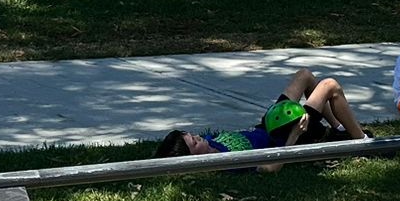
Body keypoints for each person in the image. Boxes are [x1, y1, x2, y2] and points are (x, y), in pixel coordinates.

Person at [156, 69, 368, 160]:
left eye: (191, 135)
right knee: (330, 86)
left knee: (304, 76)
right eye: (194, 143)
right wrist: (294, 137)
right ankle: (364, 143)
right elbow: (269, 168)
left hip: (268, 124)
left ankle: (339, 130)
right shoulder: (224, 161)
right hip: (284, 135)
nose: (197, 137)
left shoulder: (210, 142)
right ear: (194, 158)